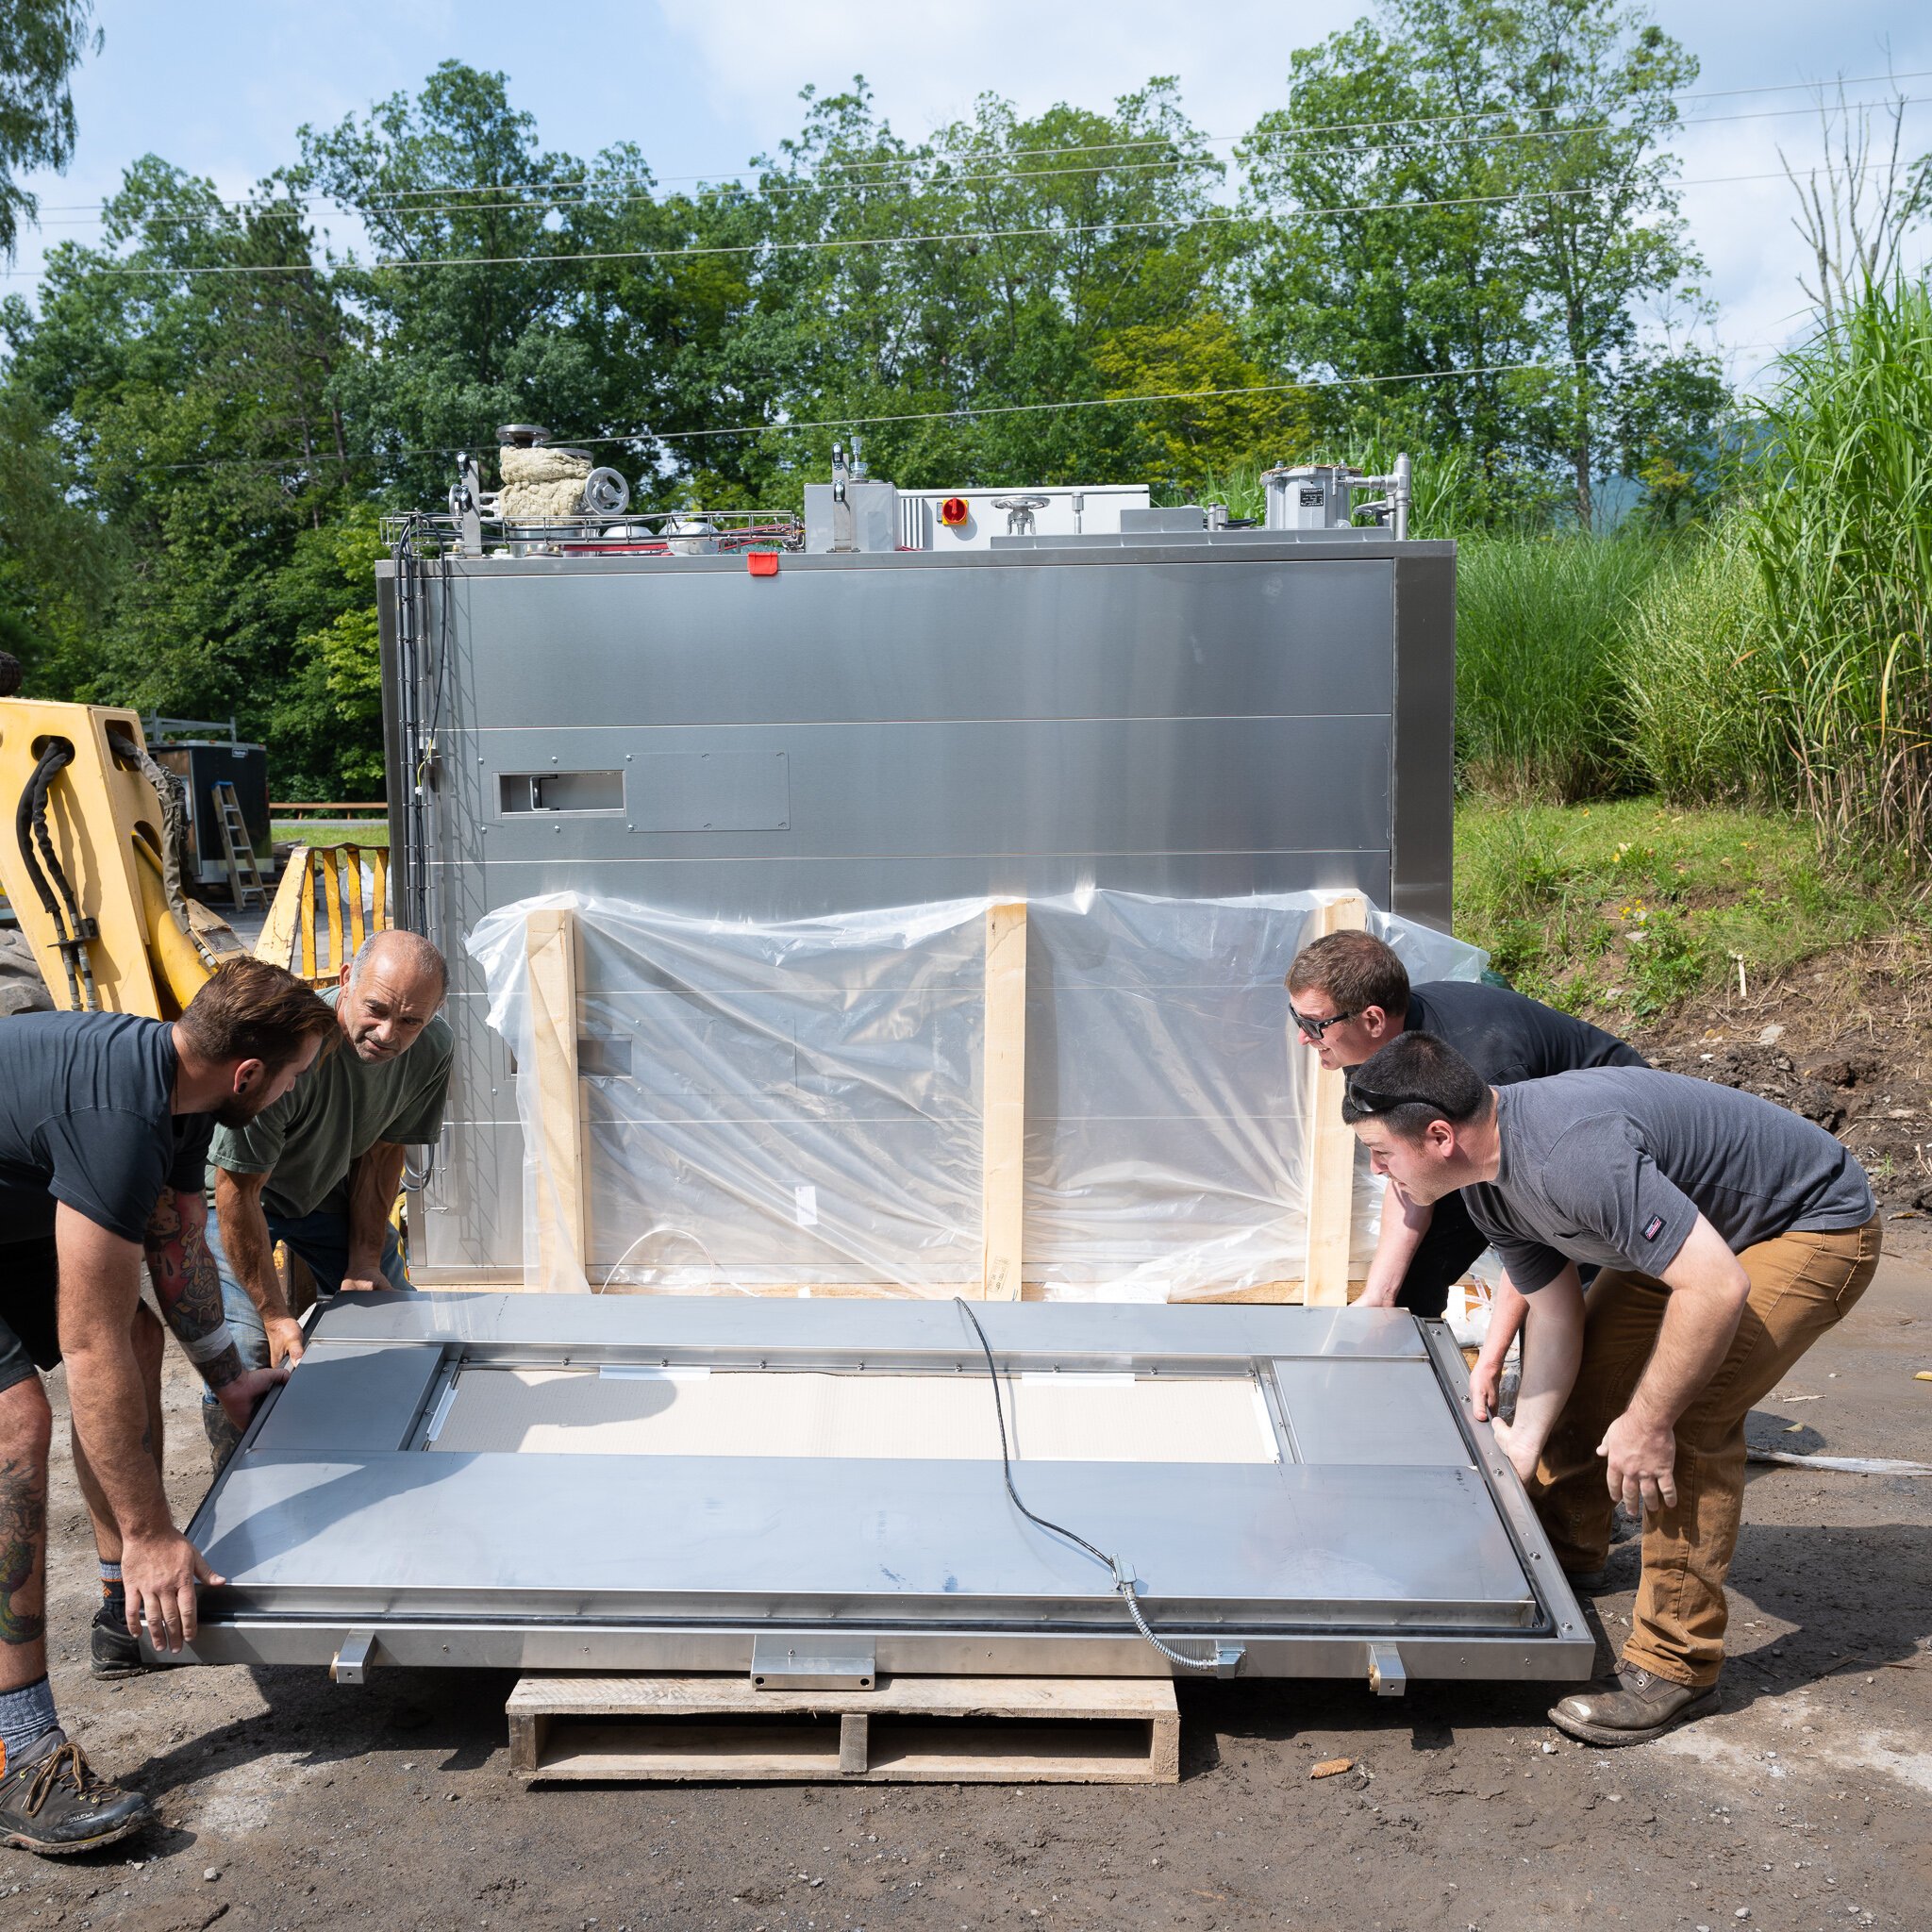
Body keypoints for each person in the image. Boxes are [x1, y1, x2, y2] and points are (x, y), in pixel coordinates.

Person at [1341, 1031, 1880, 1745]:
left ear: (1439, 1136)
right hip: (1702, 1237)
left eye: (1382, 1154)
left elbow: (1716, 1287)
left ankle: (1675, 1667)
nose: (1381, 1172)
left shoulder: (1572, 1155)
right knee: (1594, 1376)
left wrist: (1649, 1420)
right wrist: (1523, 1445)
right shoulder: (1488, 1187)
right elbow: (1559, 1318)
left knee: (1687, 1417)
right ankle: (1563, 1556)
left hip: (1806, 1224)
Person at [0, 958, 335, 1854]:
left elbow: (178, 1239)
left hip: (11, 1206)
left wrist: (228, 1374)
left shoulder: (180, 1091)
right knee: (16, 1426)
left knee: (145, 1340)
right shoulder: (116, 1118)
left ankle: (123, 1610)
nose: (294, 1092)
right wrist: (154, 1531)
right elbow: (88, 1344)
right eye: (297, 1076)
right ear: (250, 1074)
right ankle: (16, 1747)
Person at [1285, 931, 1644, 1315]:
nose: (1303, 1038)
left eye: (1313, 1024)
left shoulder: (1481, 1067)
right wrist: (1379, 1297)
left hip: (1610, 1140)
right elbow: (1403, 1168)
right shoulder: (1365, 1047)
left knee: (1573, 1306)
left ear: (1373, 1019)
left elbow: (1530, 1219)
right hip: (1501, 1145)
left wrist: (1494, 1358)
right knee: (1409, 1289)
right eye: (1297, 1018)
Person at [202, 929, 451, 1458]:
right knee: (243, 1355)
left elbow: (384, 1151)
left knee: (394, 1317)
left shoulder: (431, 1049)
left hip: (321, 1189)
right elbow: (237, 1192)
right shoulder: (290, 1051)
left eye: (410, 1020)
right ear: (344, 982)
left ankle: (386, 1454)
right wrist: (273, 1314)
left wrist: (362, 1260)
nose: (388, 1033)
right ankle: (239, 1485)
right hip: (238, 1196)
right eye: (376, 1009)